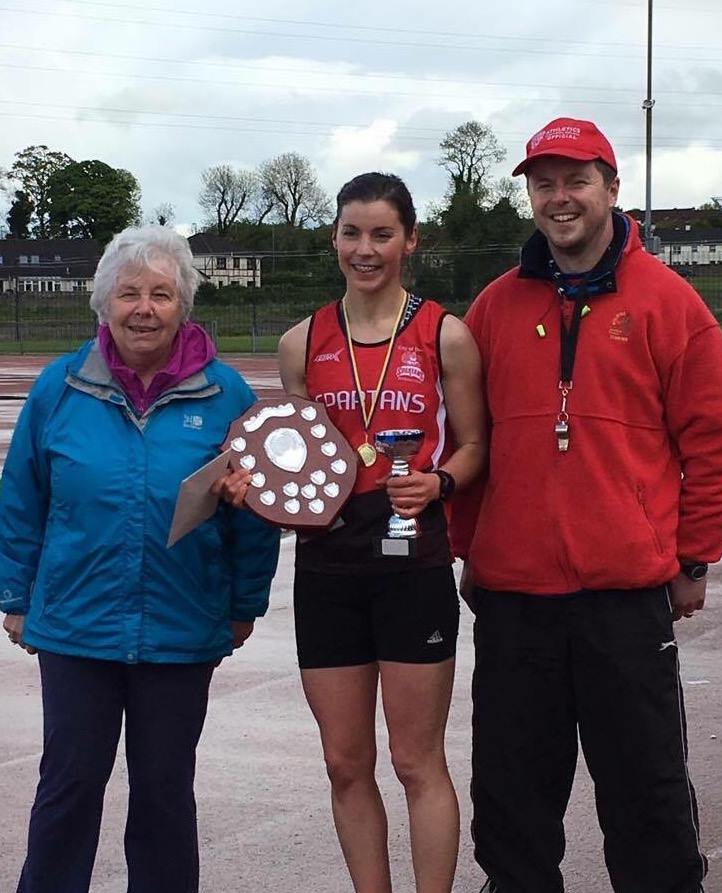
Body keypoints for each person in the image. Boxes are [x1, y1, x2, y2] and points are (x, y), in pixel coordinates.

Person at [451, 117, 722, 893]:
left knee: (645, 795)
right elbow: (463, 438)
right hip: (515, 600)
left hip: (623, 598)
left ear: (611, 189)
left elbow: (713, 440)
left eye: (575, 180)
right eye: (542, 183)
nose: (559, 197)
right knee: (509, 800)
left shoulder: (670, 304)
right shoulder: (492, 308)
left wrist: (692, 557)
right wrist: (468, 544)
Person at [218, 172, 486, 892]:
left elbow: (474, 445)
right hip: (328, 561)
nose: (364, 249)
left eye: (381, 234)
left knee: (413, 760)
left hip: (412, 555)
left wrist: (440, 482)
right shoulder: (301, 341)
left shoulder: (444, 334)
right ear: (333, 236)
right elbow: (297, 453)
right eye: (350, 233)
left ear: (409, 240)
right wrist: (258, 491)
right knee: (343, 760)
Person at [0, 225, 280, 893]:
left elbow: (258, 514)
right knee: (66, 787)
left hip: (182, 630)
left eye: (160, 292)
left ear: (183, 303)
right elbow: (21, 498)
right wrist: (15, 596)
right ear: (103, 302)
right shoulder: (59, 387)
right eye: (128, 293)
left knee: (163, 793)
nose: (144, 308)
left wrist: (244, 605)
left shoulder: (227, 396)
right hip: (76, 626)